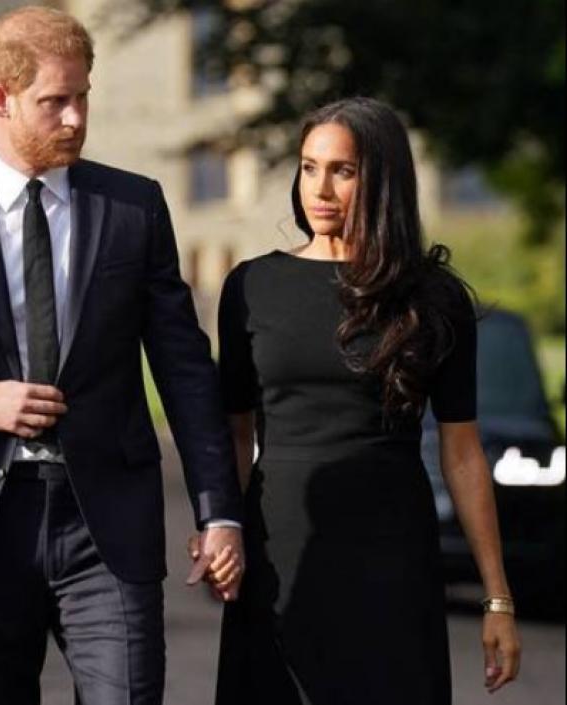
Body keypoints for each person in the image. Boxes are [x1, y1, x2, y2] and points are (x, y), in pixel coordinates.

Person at [0, 8, 246, 705]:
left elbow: (185, 369)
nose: (75, 118)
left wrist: (217, 510)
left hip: (106, 529)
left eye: (82, 97)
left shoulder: (133, 207)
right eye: (54, 102)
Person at [213, 96, 522, 704]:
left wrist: (497, 599)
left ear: (383, 179)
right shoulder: (252, 285)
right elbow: (234, 430)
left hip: (391, 559)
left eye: (342, 171)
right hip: (280, 553)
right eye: (308, 167)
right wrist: (222, 528)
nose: (319, 188)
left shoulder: (432, 297)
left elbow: (462, 454)